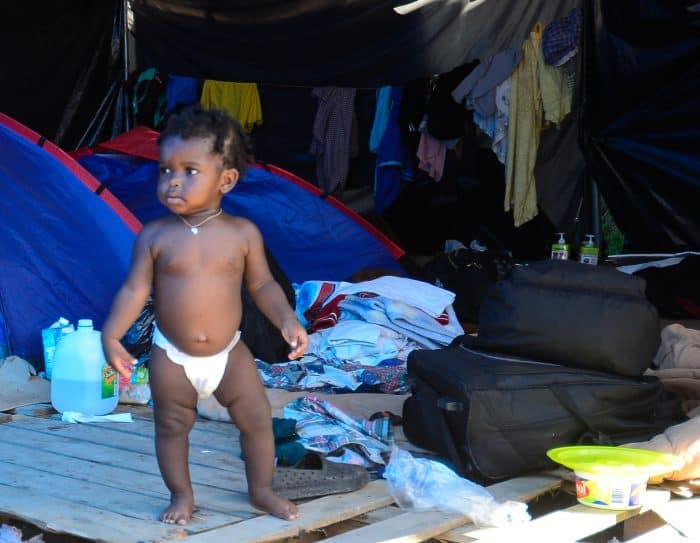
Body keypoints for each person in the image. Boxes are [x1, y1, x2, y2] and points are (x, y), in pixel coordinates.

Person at [101, 104, 308, 525]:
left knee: (256, 420)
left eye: (190, 170)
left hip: (229, 354)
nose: (172, 180)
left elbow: (263, 286)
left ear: (226, 180)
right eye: (165, 170)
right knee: (172, 427)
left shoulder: (242, 234)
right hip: (171, 357)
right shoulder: (155, 236)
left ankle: (262, 489)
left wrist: (287, 319)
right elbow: (134, 289)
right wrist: (111, 336)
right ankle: (181, 495)